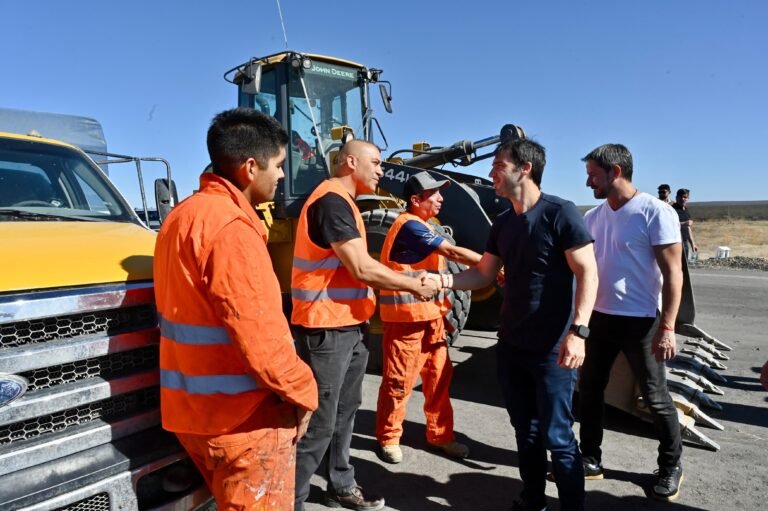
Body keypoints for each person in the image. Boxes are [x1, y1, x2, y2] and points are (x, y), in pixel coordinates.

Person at [154, 108, 318, 510]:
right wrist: (305, 392)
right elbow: (264, 343)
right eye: (278, 165)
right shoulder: (231, 229)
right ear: (249, 167)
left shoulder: (180, 217)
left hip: (191, 414)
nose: (281, 176)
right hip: (245, 422)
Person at [442, 139, 598, 511]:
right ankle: (533, 501)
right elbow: (483, 273)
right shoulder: (503, 222)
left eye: (498, 165)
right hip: (511, 345)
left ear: (524, 168)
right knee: (524, 431)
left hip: (553, 348)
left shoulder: (560, 213)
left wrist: (579, 333)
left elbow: (588, 272)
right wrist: (443, 281)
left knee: (558, 437)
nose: (491, 172)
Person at [291, 140, 438, 511]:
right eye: (375, 163)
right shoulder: (331, 202)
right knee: (320, 422)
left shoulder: (346, 204)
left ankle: (341, 484)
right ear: (350, 162)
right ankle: (289, 499)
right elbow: (360, 266)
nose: (382, 170)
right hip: (326, 328)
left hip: (350, 325)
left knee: (346, 411)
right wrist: (413, 284)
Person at [579, 144, 685, 501]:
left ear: (616, 172)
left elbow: (674, 275)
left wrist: (668, 327)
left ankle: (671, 466)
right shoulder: (593, 217)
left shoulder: (655, 212)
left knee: (655, 397)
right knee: (590, 390)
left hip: (642, 322)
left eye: (594, 174)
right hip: (600, 318)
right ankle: (590, 459)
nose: (588, 180)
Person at [375, 171, 482, 464]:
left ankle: (441, 436)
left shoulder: (423, 224)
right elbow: (452, 252)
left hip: (432, 320)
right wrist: (495, 265)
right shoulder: (409, 225)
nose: (440, 198)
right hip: (407, 322)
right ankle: (388, 437)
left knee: (438, 381)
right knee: (398, 383)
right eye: (433, 194)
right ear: (415, 200)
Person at [673, 188, 698, 262]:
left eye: (685, 197)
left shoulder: (686, 210)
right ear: (676, 197)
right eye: (680, 197)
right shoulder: (672, 209)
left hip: (685, 241)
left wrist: (692, 243)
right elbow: (669, 225)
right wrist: (684, 223)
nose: (683, 199)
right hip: (674, 241)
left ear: (688, 198)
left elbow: (688, 228)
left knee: (685, 265)